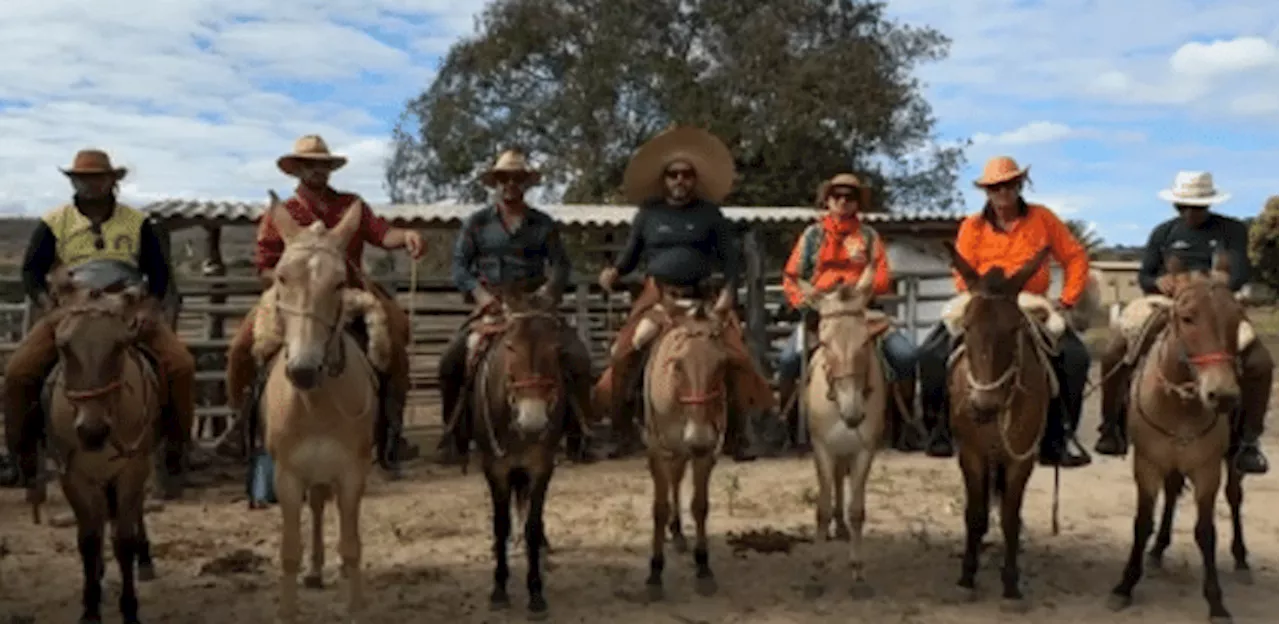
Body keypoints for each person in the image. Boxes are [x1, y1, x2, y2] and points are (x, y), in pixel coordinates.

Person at [224, 135, 425, 478]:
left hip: (348, 293)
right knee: (242, 346)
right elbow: (264, 265)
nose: (318, 171)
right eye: (310, 165)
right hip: (293, 297)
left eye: (323, 165)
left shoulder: (351, 205)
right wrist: (292, 282)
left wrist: (404, 235)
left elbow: (381, 234)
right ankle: (240, 422)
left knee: (395, 334)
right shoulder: (282, 213)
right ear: (298, 170)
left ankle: (392, 431)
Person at [4, 148, 194, 497]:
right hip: (72, 309)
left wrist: (149, 308)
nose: (90, 184)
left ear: (112, 181)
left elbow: (161, 274)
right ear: (73, 181)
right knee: (19, 372)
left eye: (97, 178)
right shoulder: (54, 222)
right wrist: (50, 305)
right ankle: (23, 457)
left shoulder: (138, 223)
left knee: (180, 365)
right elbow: (31, 272)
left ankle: (176, 451)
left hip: (124, 305)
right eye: (83, 178)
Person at [593, 125, 774, 461]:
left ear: (694, 179)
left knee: (735, 355)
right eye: (673, 175)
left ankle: (738, 433)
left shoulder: (711, 215)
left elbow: (732, 261)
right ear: (665, 180)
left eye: (686, 175)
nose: (680, 181)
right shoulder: (648, 214)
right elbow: (630, 255)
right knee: (625, 350)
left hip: (703, 303)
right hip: (660, 300)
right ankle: (620, 430)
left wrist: (730, 292)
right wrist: (614, 272)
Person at [916, 156, 1092, 467]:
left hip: (1028, 299)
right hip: (983, 297)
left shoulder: (1043, 218)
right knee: (930, 352)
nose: (1003, 192)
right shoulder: (972, 225)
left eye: (1009, 185)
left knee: (1075, 356)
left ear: (1019, 185)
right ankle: (938, 430)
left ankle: (1059, 436)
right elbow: (962, 269)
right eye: (995, 187)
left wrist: (1066, 300)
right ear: (987, 191)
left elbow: (1075, 257)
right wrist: (978, 291)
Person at [435, 150, 603, 464]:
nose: (510, 184)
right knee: (451, 359)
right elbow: (460, 267)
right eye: (504, 178)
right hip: (493, 304)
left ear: (526, 183)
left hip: (535, 305)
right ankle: (454, 436)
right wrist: (482, 296)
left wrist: (549, 292)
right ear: (495, 183)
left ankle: (581, 434)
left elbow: (562, 265)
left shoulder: (544, 224)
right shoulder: (477, 223)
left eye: (517, 178)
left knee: (577, 356)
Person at [1096, 171, 1270, 474]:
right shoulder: (1164, 232)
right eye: (1186, 206)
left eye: (1199, 206)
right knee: (1116, 350)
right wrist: (1159, 281)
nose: (1192, 212)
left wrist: (1209, 283)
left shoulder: (1232, 231)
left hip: (1218, 307)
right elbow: (1145, 275)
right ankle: (1112, 426)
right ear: (1177, 205)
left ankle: (1248, 441)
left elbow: (1240, 273)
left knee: (1259, 362)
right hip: (1170, 303)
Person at [776, 173, 918, 440]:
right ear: (827, 200)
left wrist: (863, 289)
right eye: (837, 196)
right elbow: (792, 276)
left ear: (857, 203)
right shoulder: (812, 236)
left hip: (861, 311)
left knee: (905, 356)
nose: (843, 201)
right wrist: (804, 304)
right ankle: (786, 425)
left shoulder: (869, 236)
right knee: (788, 360)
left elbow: (883, 276)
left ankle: (905, 425)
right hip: (821, 309)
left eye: (849, 197)